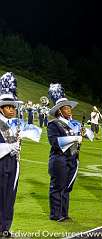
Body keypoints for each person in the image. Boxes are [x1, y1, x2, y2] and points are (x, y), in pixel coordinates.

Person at [0, 72, 42, 237]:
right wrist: (10, 147)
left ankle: (5, 228)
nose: (12, 110)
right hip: (1, 163)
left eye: (13, 107)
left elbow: (37, 134)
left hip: (14, 163)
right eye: (9, 106)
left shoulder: (17, 124)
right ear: (1, 107)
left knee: (10, 196)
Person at [47, 83, 83, 221]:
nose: (69, 110)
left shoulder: (73, 124)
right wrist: (74, 137)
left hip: (72, 158)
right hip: (59, 158)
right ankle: (55, 214)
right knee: (58, 186)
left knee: (67, 187)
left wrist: (79, 137)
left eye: (69, 107)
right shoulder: (53, 124)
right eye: (66, 108)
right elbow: (54, 142)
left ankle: (64, 213)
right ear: (59, 111)